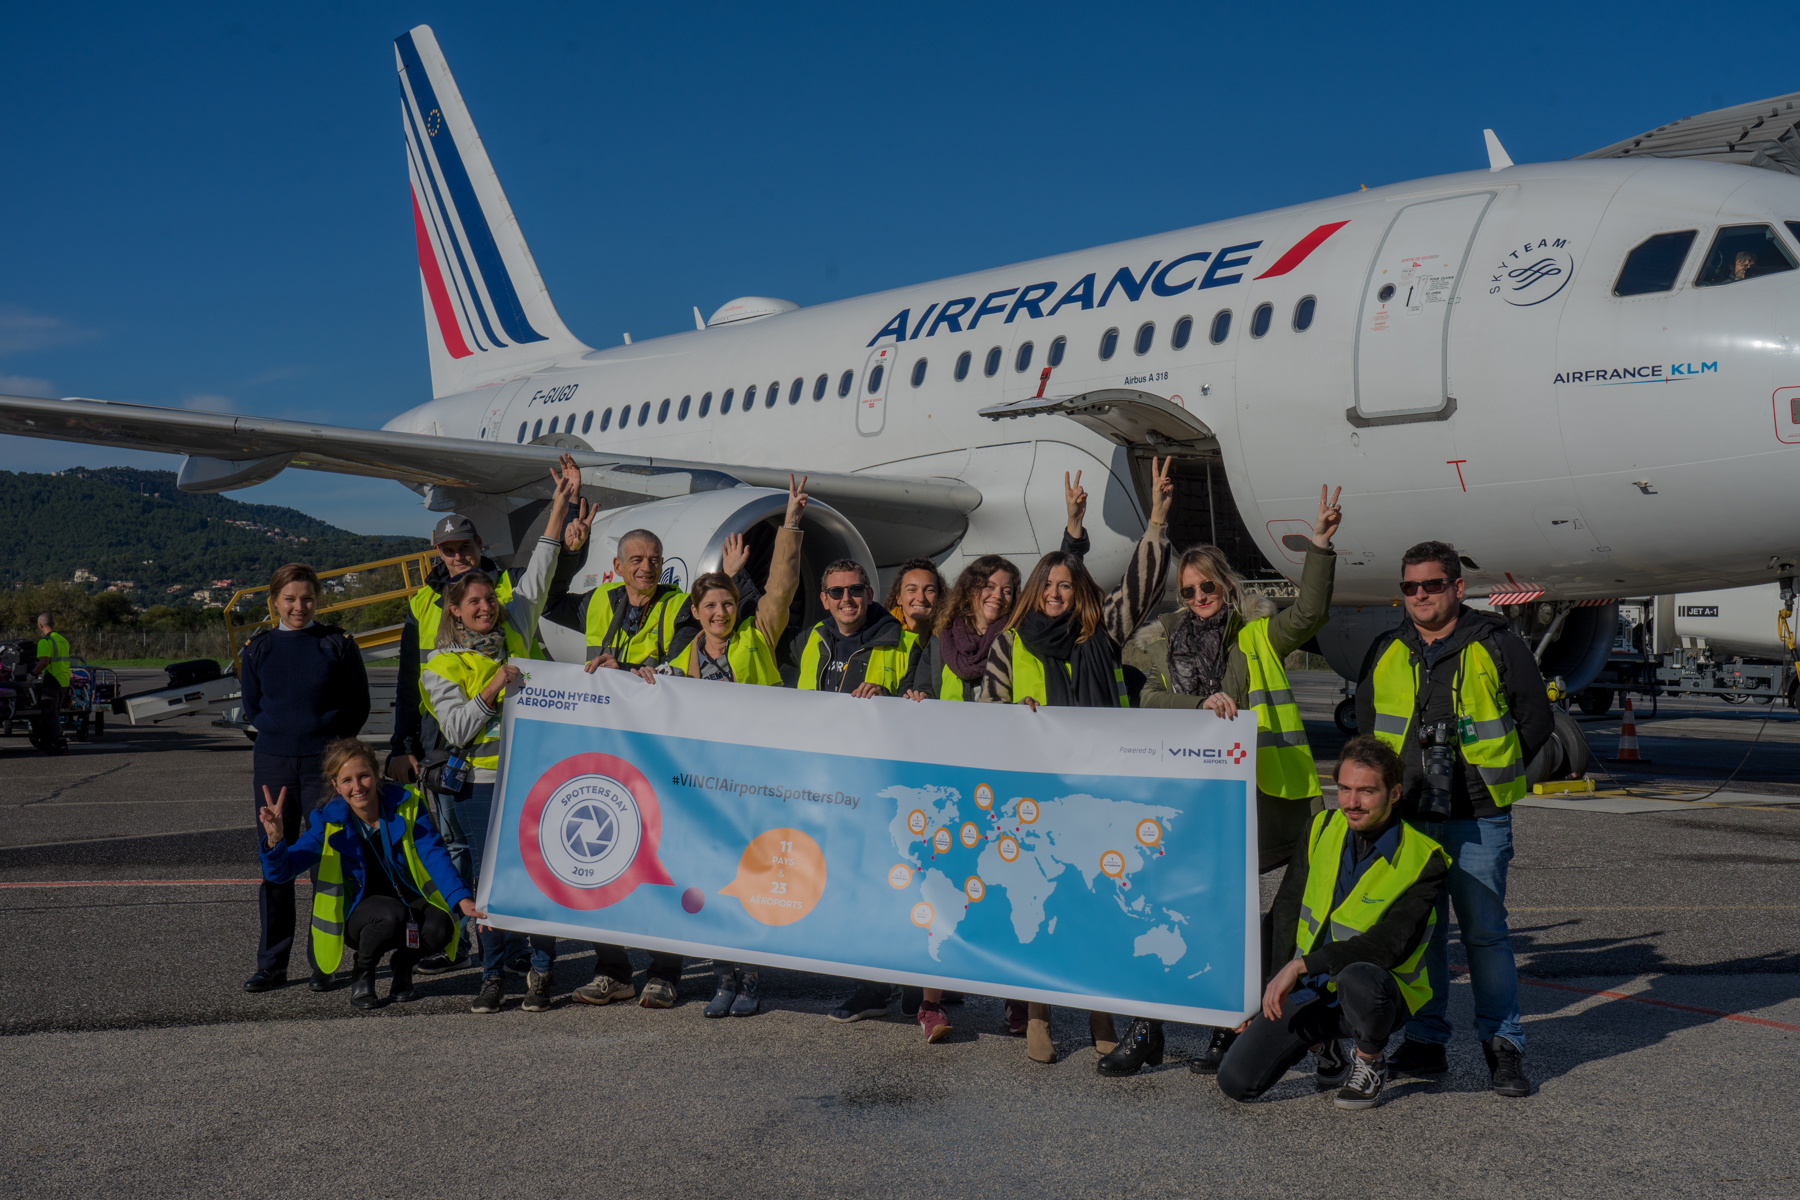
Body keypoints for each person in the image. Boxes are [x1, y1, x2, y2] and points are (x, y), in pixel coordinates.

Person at [1110, 485, 1342, 1076]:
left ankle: (1225, 1028)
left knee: (1232, 919)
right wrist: (1196, 705)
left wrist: (1318, 545)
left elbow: (1311, 612)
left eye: (1206, 587)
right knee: (1163, 910)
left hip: (1263, 799)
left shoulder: (1258, 635)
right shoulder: (1163, 640)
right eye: (1187, 591)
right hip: (1186, 802)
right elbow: (1146, 699)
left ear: (1226, 586)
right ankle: (1147, 1029)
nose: (1197, 598)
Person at [978, 458, 1175, 1064]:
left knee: (1097, 905)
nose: (1058, 594)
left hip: (1098, 796)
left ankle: (1098, 1009)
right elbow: (987, 716)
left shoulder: (1101, 636)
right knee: (1039, 904)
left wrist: (1158, 522)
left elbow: (1140, 591)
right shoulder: (1009, 645)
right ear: (1036, 592)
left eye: (1067, 586)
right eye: (1050, 586)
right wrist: (1019, 715)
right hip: (1036, 798)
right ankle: (1038, 1011)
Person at [1354, 540, 1550, 1097]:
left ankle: (1503, 1048)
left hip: (1476, 816)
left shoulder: (1497, 643)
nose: (1420, 595)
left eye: (1432, 585)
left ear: (1457, 588)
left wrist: (1491, 776)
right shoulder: (1388, 647)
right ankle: (1425, 1040)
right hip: (1410, 817)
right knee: (1423, 935)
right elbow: (1368, 734)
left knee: (1485, 935)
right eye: (1411, 586)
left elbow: (1534, 718)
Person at [388, 462, 592, 973]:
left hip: (524, 771)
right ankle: (488, 960)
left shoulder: (513, 618)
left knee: (531, 863)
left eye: (489, 599)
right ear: (455, 609)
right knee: (477, 865)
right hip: (468, 770)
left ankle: (527, 959)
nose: (485, 606)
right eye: (474, 601)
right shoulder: (436, 638)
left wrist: (559, 504)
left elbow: (542, 568)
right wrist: (404, 742)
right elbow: (420, 693)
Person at [617, 475, 809, 1019]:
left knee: (747, 882)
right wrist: (617, 674)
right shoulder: (678, 666)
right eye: (711, 606)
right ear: (697, 613)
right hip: (703, 792)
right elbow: (643, 697)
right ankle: (723, 978)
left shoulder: (757, 639)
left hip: (753, 786)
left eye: (727, 604)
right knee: (710, 882)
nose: (720, 613)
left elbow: (781, 590)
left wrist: (791, 523)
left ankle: (749, 980)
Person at [1216, 737, 1449, 1110]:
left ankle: (1370, 1060)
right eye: (1344, 789)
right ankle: (1325, 1049)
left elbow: (1389, 946)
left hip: (1376, 995)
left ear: (1394, 793)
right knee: (1236, 1082)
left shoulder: (1425, 860)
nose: (1352, 803)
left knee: (1360, 975)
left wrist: (1301, 965)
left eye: (1366, 792)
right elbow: (1285, 914)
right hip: (1313, 989)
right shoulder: (1321, 828)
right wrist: (1263, 993)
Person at [258, 738, 482, 1009]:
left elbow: (433, 853)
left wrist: (460, 898)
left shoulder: (408, 805)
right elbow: (283, 872)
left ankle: (403, 966)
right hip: (361, 915)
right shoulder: (327, 822)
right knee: (390, 914)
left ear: (376, 776)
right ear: (335, 786)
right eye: (347, 780)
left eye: (363, 776)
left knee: (442, 924)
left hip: (406, 900)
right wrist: (275, 840)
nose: (357, 786)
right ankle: (363, 972)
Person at [239, 564, 371, 994]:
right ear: (274, 601)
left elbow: (358, 705)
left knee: (326, 867)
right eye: (290, 599)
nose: (299, 606)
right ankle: (272, 964)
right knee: (275, 859)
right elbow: (253, 707)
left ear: (318, 599)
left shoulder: (336, 644)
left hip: (324, 767)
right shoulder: (258, 649)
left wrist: (330, 750)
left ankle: (325, 961)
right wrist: (282, 735)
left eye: (307, 598)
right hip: (274, 766)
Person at [904, 555, 1021, 702]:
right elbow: (924, 690)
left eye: (1007, 591)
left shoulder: (1017, 643)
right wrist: (922, 696)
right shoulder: (940, 644)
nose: (998, 595)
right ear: (970, 590)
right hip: (949, 723)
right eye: (989, 587)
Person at [30, 612, 71, 755]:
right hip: (64, 680)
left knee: (50, 713)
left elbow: (44, 662)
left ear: (40, 625)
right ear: (53, 624)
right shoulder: (63, 640)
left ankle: (59, 744)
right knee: (54, 713)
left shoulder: (45, 642)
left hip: (52, 680)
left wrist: (32, 674)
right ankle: (49, 743)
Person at [885, 557, 945, 643]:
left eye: (929, 590)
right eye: (912, 590)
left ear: (939, 596)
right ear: (898, 598)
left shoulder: (951, 640)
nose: (921, 598)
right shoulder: (882, 637)